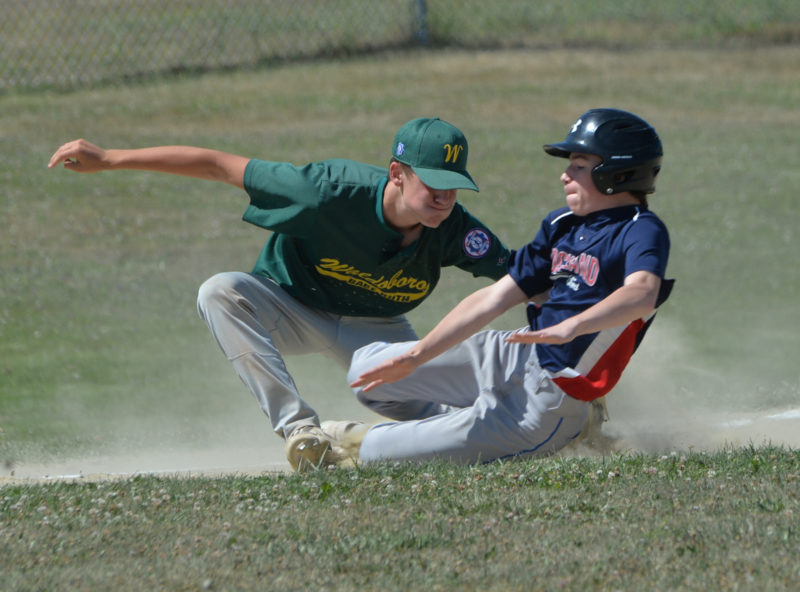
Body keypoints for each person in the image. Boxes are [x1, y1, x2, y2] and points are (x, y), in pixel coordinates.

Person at [47, 117, 511, 471]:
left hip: (375, 332)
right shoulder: (326, 193)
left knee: (431, 412)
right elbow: (218, 165)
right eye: (433, 185)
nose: (444, 199)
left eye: (454, 187)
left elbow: (521, 279)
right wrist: (109, 159)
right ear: (396, 173)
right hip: (291, 307)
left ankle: (482, 424)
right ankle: (301, 430)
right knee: (220, 292)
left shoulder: (456, 230)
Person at [338, 108, 673, 465]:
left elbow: (641, 293)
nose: (564, 176)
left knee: (368, 453)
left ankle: (539, 424)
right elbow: (495, 298)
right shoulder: (561, 225)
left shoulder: (640, 229)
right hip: (513, 354)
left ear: (616, 174)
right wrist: (417, 356)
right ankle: (466, 420)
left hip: (550, 402)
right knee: (365, 372)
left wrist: (572, 326)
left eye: (578, 166)